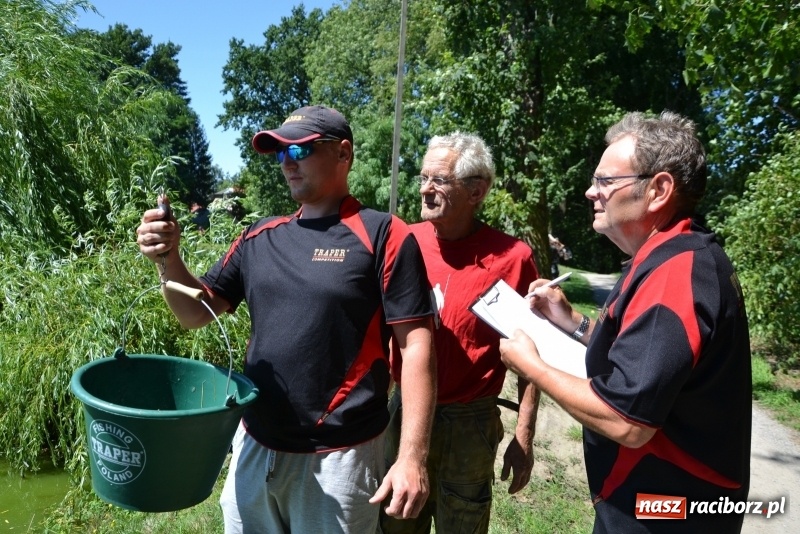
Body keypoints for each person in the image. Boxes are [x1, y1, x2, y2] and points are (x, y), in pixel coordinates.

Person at [136, 105, 437, 533]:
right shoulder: (260, 236)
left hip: (340, 456)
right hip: (255, 443)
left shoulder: (385, 234)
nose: (287, 162)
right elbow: (194, 312)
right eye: (279, 153)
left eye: (300, 149)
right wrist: (167, 259)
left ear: (343, 153)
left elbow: (418, 347)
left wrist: (411, 457)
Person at [499, 111, 751, 533]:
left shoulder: (677, 273)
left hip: (668, 511)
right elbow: (645, 355)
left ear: (658, 190)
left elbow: (627, 421)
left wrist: (533, 368)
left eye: (604, 181)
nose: (589, 192)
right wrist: (572, 321)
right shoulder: (675, 255)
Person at [382, 132, 541, 533]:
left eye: (439, 180)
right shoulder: (404, 242)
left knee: (463, 523)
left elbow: (532, 355)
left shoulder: (513, 258)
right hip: (403, 415)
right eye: (423, 178)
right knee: (397, 523)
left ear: (476, 191)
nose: (425, 189)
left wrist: (523, 437)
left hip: (470, 423)